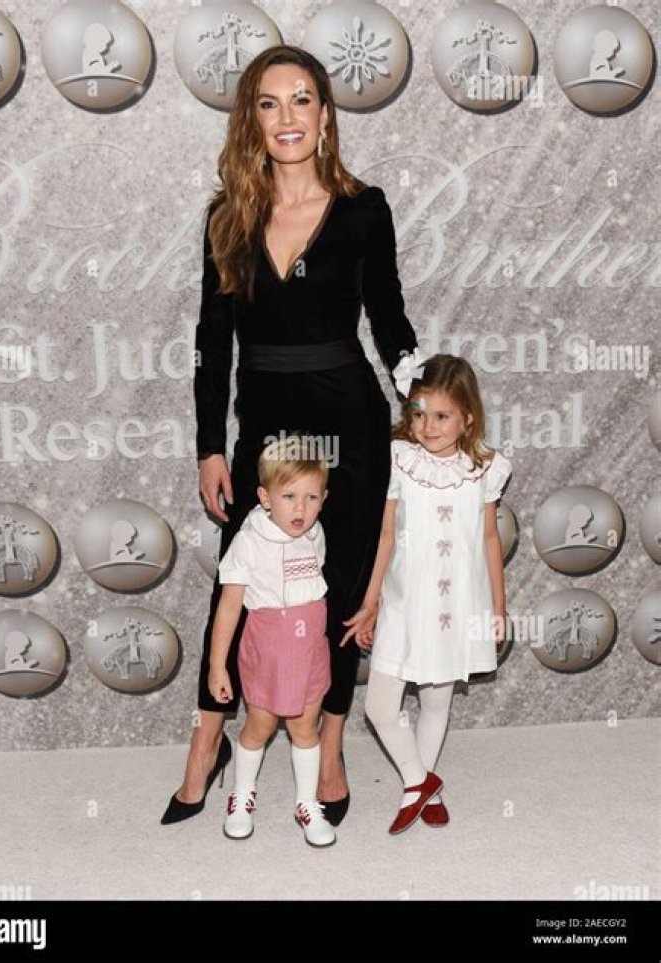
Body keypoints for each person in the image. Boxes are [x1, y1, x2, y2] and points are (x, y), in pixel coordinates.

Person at [161, 44, 424, 827]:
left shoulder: (364, 208)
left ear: (325, 114)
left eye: (302, 99)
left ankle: (330, 741)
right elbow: (212, 339)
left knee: (337, 585)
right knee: (240, 580)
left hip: (350, 417)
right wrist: (210, 444)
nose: (287, 117)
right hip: (266, 427)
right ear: (251, 119)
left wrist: (418, 387)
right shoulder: (228, 215)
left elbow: (389, 317)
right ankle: (207, 740)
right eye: (269, 102)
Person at [341, 354, 512, 835]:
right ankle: (421, 781)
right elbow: (386, 535)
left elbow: (489, 538)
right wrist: (372, 601)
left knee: (436, 702)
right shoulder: (399, 459)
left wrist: (499, 608)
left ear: (468, 418)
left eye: (441, 416)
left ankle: (418, 789)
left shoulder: (484, 468)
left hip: (457, 605)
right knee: (380, 707)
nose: (427, 426)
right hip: (404, 601)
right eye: (418, 414)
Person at [208, 435, 335, 847]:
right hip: (268, 649)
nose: (300, 509)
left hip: (310, 646)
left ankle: (307, 802)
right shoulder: (249, 541)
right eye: (289, 496)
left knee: (305, 727)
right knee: (259, 726)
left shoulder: (315, 534)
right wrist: (217, 666)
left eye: (311, 498)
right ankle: (242, 795)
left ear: (323, 499)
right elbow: (229, 607)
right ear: (265, 497)